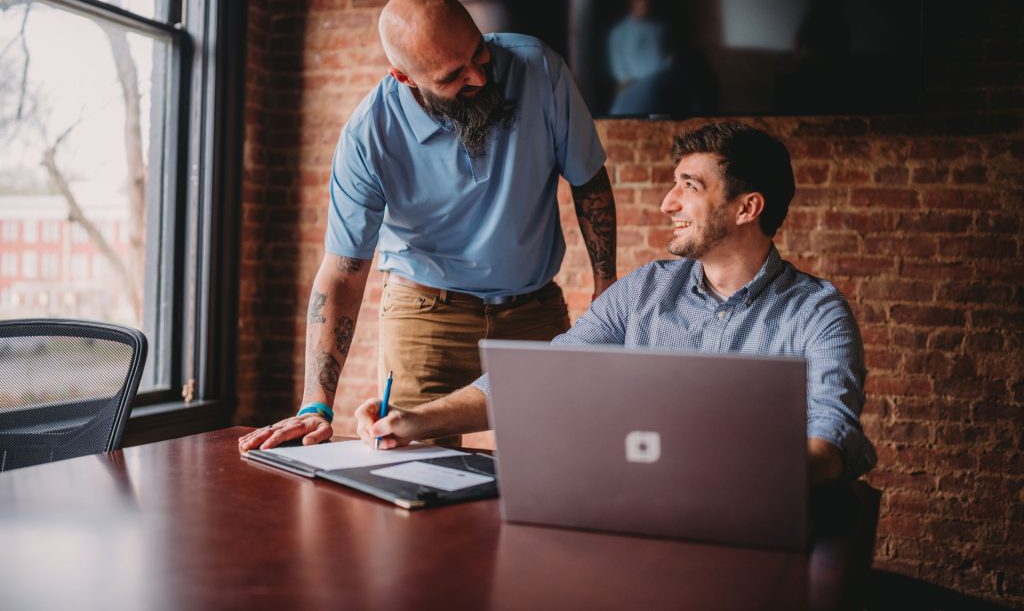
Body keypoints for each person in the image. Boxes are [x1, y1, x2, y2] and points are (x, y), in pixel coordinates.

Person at [354, 122, 877, 487]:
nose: (668, 202)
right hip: (634, 506)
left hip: (755, 521)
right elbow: (543, 375)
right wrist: (413, 420)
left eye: (689, 187)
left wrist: (727, 482)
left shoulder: (816, 311)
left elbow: (828, 441)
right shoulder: (644, 290)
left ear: (747, 208)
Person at [239, 0, 617, 452]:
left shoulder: (538, 67)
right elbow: (342, 272)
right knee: (414, 472)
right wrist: (315, 404)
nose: (479, 76)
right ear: (404, 77)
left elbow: (590, 182)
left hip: (533, 310)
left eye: (480, 53)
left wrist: (605, 290)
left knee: (561, 460)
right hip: (424, 318)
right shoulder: (368, 137)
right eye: (453, 75)